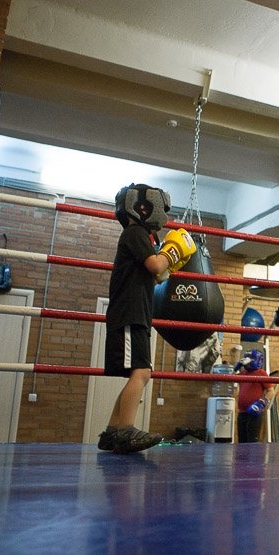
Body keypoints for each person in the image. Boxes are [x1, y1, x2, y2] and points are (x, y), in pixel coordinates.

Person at [98, 183, 195, 454]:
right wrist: (171, 252)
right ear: (144, 207)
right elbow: (155, 265)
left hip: (133, 312)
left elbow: (152, 276)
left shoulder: (138, 236)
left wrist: (165, 264)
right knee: (141, 373)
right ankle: (125, 430)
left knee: (138, 373)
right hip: (130, 314)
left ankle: (113, 431)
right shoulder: (136, 232)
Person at [236, 349, 276, 443]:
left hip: (254, 412)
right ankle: (242, 458)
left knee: (252, 441)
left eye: (250, 358)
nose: (248, 361)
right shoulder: (243, 373)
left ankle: (254, 458)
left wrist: (260, 404)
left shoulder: (261, 373)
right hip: (242, 412)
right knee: (242, 442)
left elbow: (271, 391)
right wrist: (236, 367)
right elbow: (227, 380)